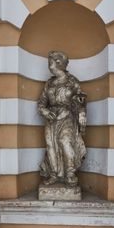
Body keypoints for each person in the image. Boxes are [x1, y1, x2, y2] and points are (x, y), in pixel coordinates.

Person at [38, 51, 87, 187]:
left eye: (51, 61)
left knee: (65, 142)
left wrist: (82, 113)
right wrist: (45, 111)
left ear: (59, 63)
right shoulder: (49, 83)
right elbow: (42, 102)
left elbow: (80, 98)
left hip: (67, 116)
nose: (50, 64)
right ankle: (53, 174)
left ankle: (70, 174)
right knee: (50, 146)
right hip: (51, 118)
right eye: (49, 62)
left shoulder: (72, 81)